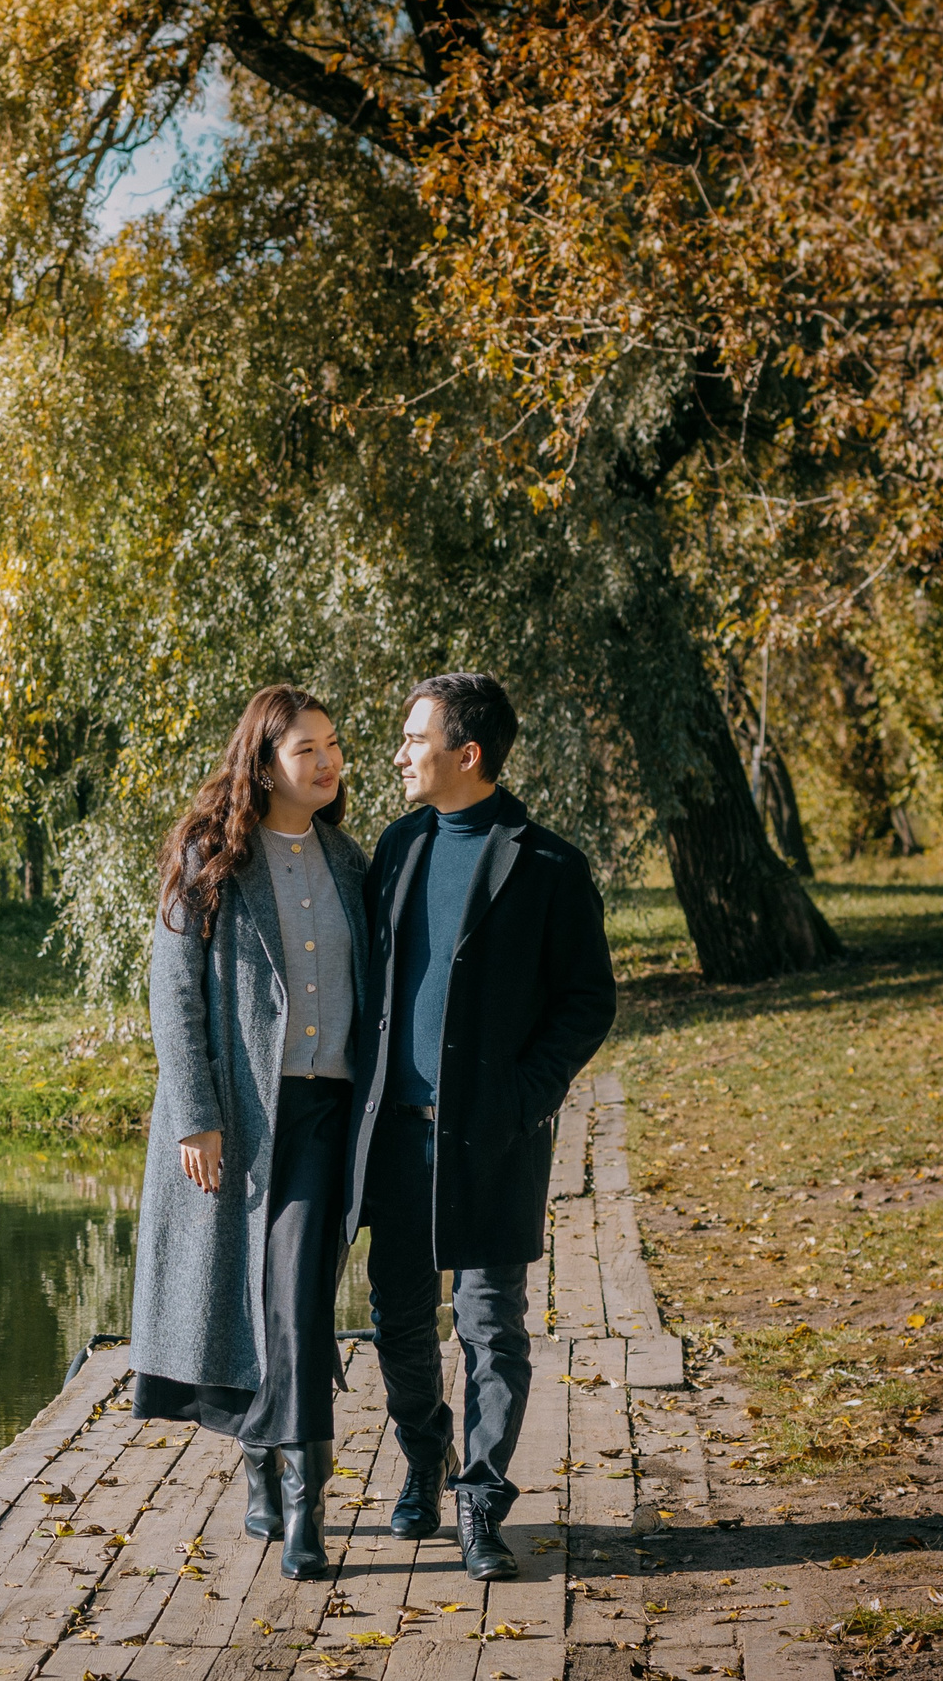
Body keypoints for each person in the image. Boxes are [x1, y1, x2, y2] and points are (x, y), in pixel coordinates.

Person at [343, 672, 616, 1581]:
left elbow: (587, 1002)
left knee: (492, 1326)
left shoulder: (547, 865)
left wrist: (524, 1095)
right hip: (397, 1140)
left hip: (494, 1140)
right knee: (399, 1321)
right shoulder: (396, 846)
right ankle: (426, 1457)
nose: (398, 755)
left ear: (467, 753)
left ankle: (481, 1501)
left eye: (413, 738)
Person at [130, 684, 370, 1582]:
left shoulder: (352, 861)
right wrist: (195, 1114)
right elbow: (174, 992)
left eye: (335, 745)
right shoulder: (210, 857)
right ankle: (258, 1462)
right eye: (309, 748)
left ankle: (306, 1509)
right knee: (247, 1298)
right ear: (264, 761)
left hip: (327, 1115)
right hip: (239, 1112)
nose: (330, 761)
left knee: (301, 1300)